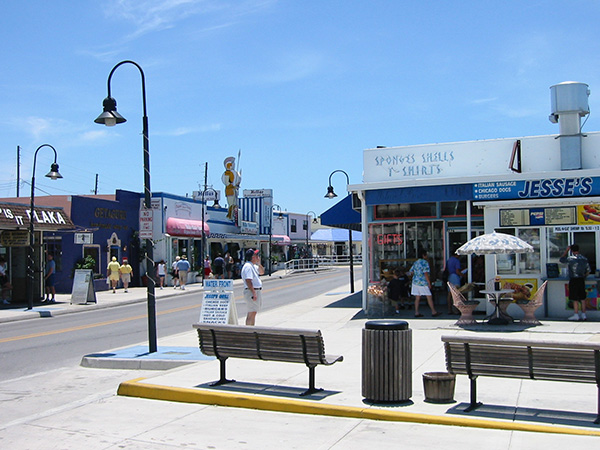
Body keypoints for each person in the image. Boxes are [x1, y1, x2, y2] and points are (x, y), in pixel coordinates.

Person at [560, 244, 591, 321]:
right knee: (583, 297)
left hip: (573, 279)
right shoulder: (584, 259)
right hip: (581, 279)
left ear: (572, 251)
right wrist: (584, 276)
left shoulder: (570, 259)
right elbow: (588, 270)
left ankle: (576, 314)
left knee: (575, 298)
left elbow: (561, 259)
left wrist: (566, 250)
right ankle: (584, 314)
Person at [408, 249, 441, 318]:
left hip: (415, 282)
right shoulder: (425, 262)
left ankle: (416, 312)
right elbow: (425, 273)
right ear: (424, 255)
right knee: (429, 296)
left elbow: (411, 271)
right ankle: (433, 311)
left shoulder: (416, 262)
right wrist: (429, 282)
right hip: (423, 282)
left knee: (417, 297)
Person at [241, 248, 264, 325]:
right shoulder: (248, 266)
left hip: (256, 290)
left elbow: (261, 272)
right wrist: (254, 293)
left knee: (253, 312)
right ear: (253, 257)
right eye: (256, 255)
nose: (258, 256)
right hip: (251, 291)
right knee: (251, 313)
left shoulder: (253, 266)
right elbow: (248, 281)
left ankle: (251, 329)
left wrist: (259, 263)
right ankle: (249, 331)